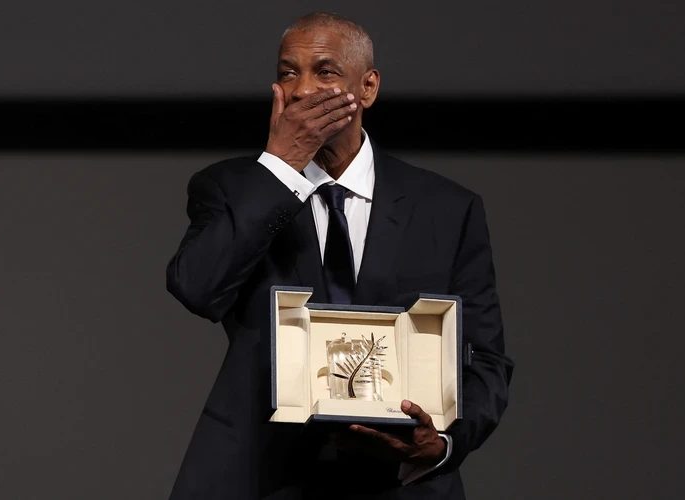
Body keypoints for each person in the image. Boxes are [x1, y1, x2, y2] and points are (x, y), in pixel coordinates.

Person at [166, 12, 513, 500]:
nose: (303, 90)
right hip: (263, 477)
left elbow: (485, 357)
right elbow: (198, 289)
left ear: (367, 88)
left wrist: (442, 445)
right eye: (289, 73)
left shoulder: (446, 208)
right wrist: (281, 168)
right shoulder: (231, 188)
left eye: (325, 72)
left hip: (396, 483)